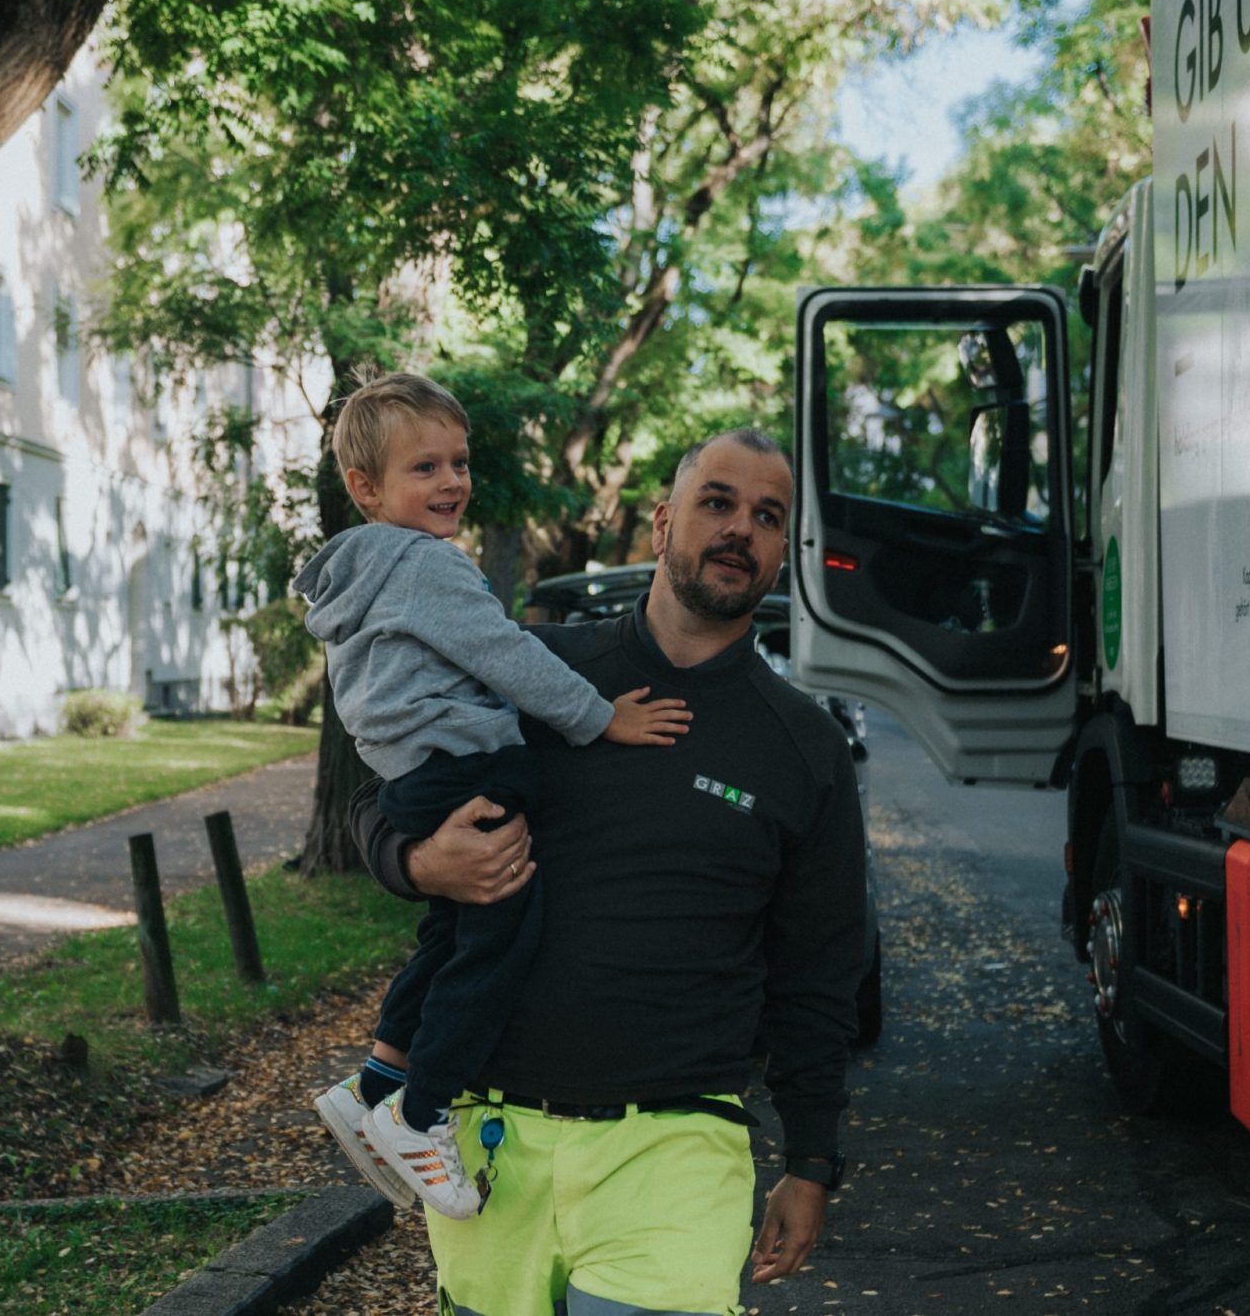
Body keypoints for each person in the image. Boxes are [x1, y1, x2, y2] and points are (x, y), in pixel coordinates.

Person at [349, 429, 867, 1316]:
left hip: (676, 1145)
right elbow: (381, 799)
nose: (740, 528)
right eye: (717, 503)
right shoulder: (530, 667)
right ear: (663, 521)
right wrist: (421, 861)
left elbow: (819, 971)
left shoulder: (803, 747)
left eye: (767, 517)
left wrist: (811, 1161)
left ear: (784, 551)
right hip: (493, 1144)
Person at [293, 372, 691, 1220]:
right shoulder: (427, 567)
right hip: (465, 767)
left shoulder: (362, 572)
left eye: (459, 463)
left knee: (451, 935)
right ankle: (420, 1112)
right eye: (424, 468)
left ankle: (375, 1084)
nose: (451, 483)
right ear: (366, 489)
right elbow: (506, 653)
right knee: (503, 939)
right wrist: (598, 718)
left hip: (417, 775)